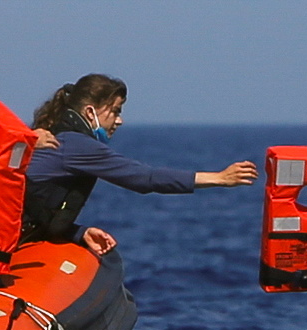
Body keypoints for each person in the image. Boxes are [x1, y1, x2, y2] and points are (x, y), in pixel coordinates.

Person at [19, 74, 258, 252]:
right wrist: (218, 178)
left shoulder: (55, 133)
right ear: (90, 112)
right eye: (115, 111)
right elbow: (145, 178)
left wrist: (78, 233)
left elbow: (38, 207)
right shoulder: (75, 145)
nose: (119, 120)